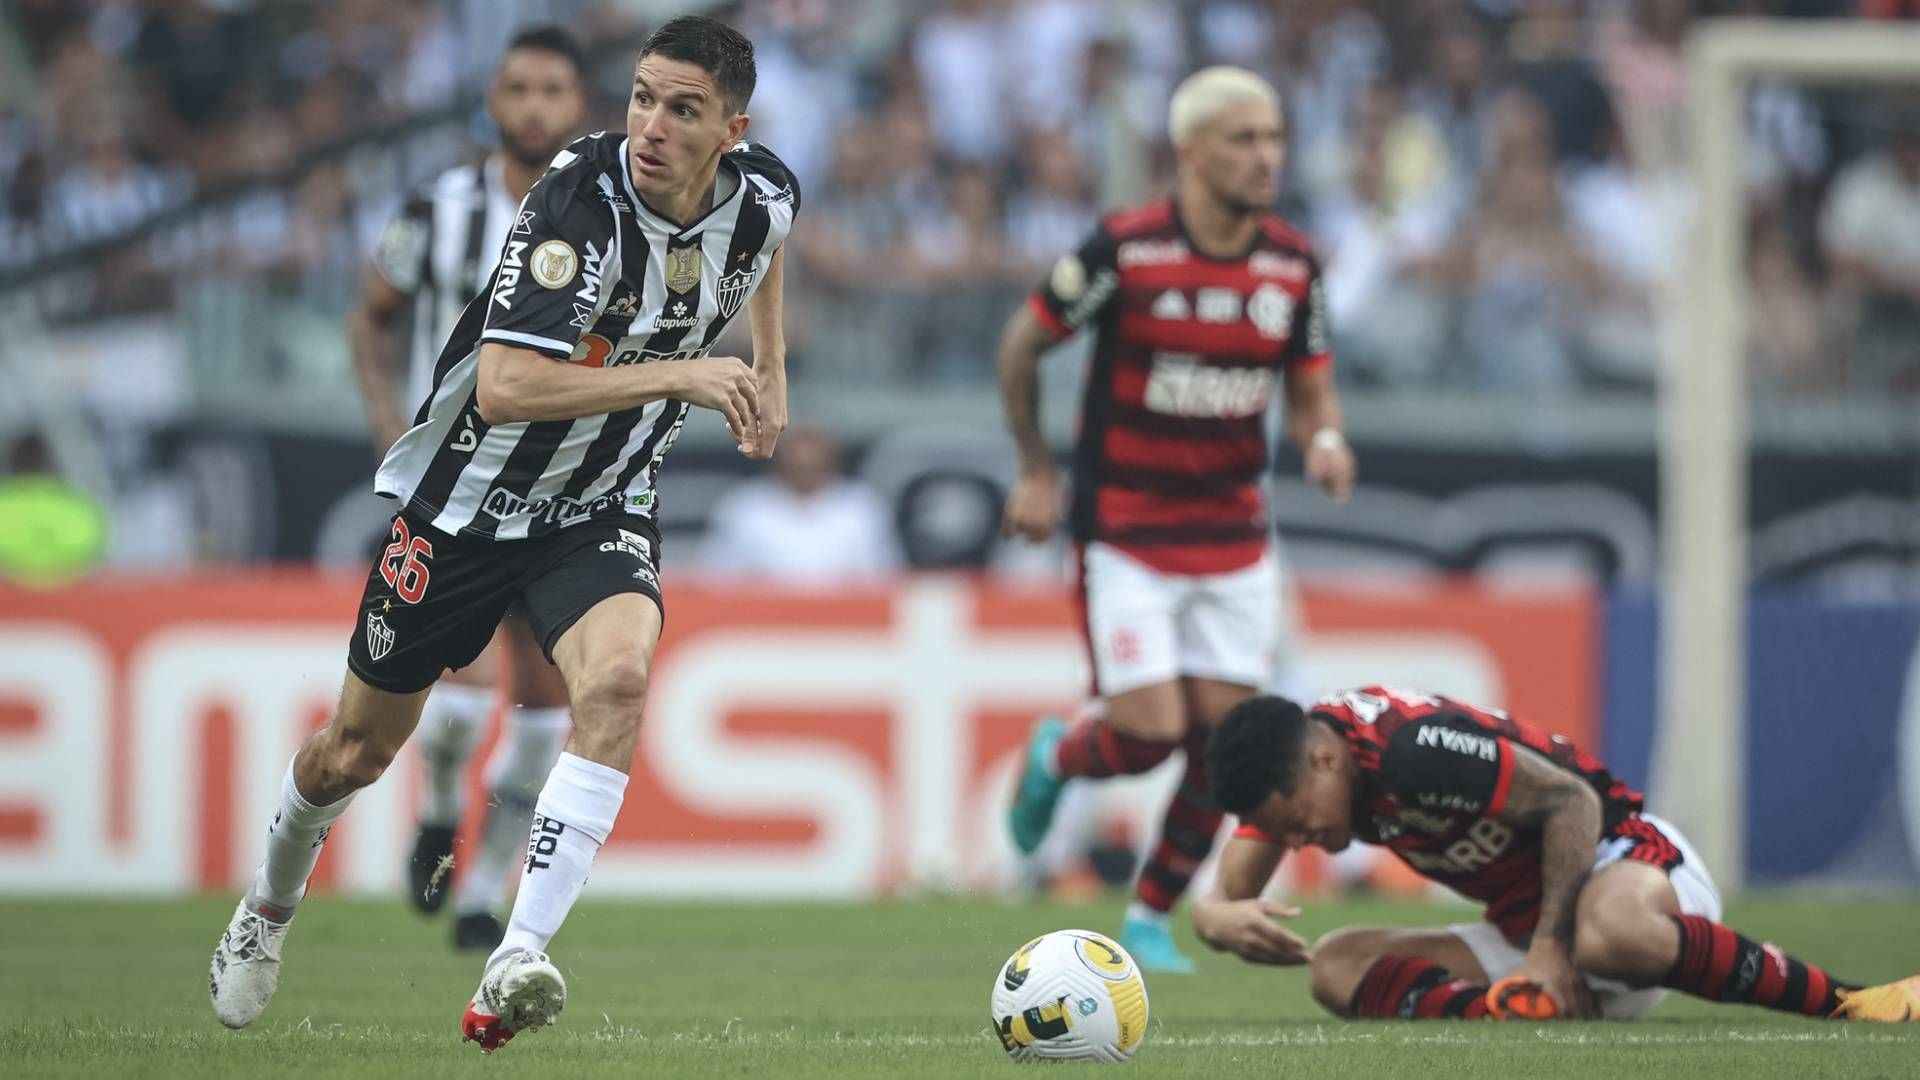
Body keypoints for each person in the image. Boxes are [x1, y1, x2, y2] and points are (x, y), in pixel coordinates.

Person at [208, 15, 799, 1054]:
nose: (651, 125)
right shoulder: (576, 202)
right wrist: (691, 375)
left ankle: (512, 956)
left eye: (683, 109)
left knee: (615, 686)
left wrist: (770, 367)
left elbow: (768, 251)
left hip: (600, 503)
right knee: (353, 754)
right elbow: (508, 383)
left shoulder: (767, 194)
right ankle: (265, 908)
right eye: (643, 97)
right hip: (465, 508)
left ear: (732, 132)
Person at [999, 66, 1357, 973]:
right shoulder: (1128, 252)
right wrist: (1037, 469)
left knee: (1222, 747)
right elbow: (1023, 342)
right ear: (1190, 152)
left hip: (1235, 542)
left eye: (1274, 136)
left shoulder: (1292, 265)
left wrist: (1324, 445)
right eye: (1244, 139)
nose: (1266, 155)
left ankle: (1151, 916)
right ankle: (1057, 754)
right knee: (1150, 730)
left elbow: (1311, 398)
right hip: (1127, 530)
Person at [1193, 687, 1920, 1022]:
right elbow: (1225, 894)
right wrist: (1212, 919)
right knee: (1335, 965)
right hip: (1542, 940)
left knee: (1611, 934)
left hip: (1624, 871)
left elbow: (1572, 803)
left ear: (1323, 763)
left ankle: (1857, 1001)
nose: (1295, 844)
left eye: (1291, 824)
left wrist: (1551, 946)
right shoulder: (1290, 772)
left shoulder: (1408, 751)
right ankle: (1520, 1010)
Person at [347, 24, 587, 953]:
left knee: (539, 721)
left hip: (565, 488)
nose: (533, 106)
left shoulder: (607, 217)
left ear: (577, 108)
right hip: (453, 491)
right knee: (452, 700)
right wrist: (387, 426)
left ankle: (484, 884)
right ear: (493, 101)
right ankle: (441, 804)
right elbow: (371, 316)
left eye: (552, 91)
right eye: (517, 88)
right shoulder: (438, 208)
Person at [700, 425, 900, 586]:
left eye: (812, 466)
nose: (805, 471)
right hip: (761, 624)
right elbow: (716, 581)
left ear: (830, 461)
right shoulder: (744, 508)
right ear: (779, 460)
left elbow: (884, 581)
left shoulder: (861, 508)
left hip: (845, 625)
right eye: (798, 465)